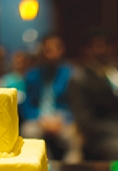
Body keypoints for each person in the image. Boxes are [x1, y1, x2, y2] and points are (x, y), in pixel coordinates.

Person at [68, 28, 118, 161]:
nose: (102, 49)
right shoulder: (80, 79)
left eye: (107, 45)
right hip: (102, 137)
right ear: (87, 49)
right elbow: (87, 123)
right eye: (97, 45)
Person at [20, 34, 82, 163]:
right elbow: (27, 105)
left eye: (55, 50)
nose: (51, 54)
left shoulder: (71, 74)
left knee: (75, 138)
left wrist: (62, 119)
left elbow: (76, 104)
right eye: (48, 50)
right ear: (42, 51)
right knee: (28, 132)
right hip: (39, 118)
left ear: (61, 50)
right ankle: (47, 170)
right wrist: (41, 119)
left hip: (62, 118)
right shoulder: (32, 74)